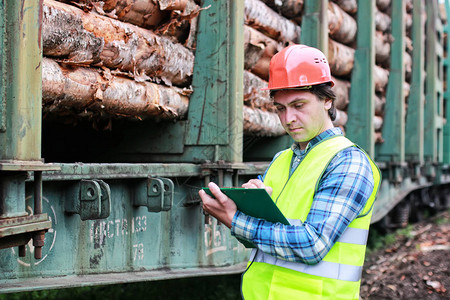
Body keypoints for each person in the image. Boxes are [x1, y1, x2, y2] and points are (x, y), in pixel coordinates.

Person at [198, 44, 381, 300]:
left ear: (327, 99)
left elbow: (312, 245)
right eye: (281, 108)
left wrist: (236, 220)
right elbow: (263, 237)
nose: (288, 119)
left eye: (299, 105)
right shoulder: (282, 160)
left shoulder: (348, 162)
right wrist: (250, 207)